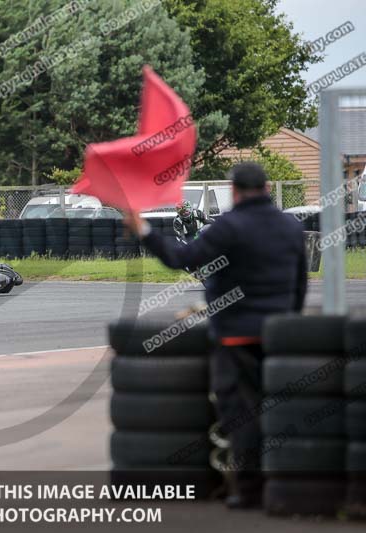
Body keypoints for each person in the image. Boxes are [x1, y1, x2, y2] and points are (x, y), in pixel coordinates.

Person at [123, 162, 307, 509]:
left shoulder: (229, 227)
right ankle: (288, 483)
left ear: (234, 191)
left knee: (242, 415)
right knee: (280, 411)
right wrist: (290, 326)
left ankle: (251, 492)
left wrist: (144, 229)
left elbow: (181, 258)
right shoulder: (290, 227)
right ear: (267, 188)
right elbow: (299, 285)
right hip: (280, 337)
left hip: (236, 337)